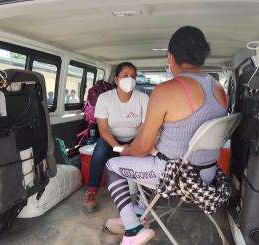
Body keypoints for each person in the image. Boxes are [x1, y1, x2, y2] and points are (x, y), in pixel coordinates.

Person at [105, 26, 228, 244]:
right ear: (202, 54)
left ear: (171, 57)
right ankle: (140, 211)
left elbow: (141, 148)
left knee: (115, 165)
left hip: (175, 176)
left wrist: (127, 149)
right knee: (147, 159)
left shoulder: (166, 90)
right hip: (208, 175)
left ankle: (133, 230)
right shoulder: (219, 89)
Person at [82, 62, 149, 213]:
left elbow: (145, 128)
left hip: (135, 139)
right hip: (110, 139)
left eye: (133, 76)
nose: (129, 79)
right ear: (116, 80)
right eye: (125, 76)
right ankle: (92, 191)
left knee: (148, 153)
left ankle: (145, 193)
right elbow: (103, 130)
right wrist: (119, 148)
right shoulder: (105, 98)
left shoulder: (143, 98)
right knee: (99, 152)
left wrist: (133, 146)